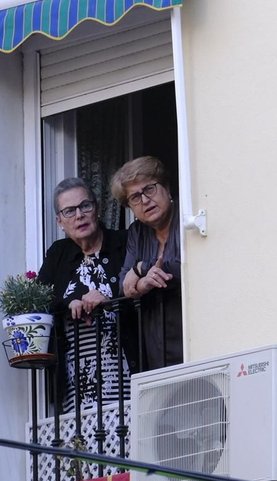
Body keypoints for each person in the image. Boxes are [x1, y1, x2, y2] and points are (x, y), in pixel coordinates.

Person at [36, 177, 131, 413]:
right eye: (69, 211)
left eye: (85, 206)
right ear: (60, 221)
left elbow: (140, 295)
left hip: (124, 372)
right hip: (76, 381)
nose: (79, 215)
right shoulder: (58, 254)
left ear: (96, 208)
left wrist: (109, 301)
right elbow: (38, 300)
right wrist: (68, 303)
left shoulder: (124, 243)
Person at [116, 156, 183, 371]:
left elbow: (187, 268)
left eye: (149, 189)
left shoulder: (187, 217)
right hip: (156, 349)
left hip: (193, 339)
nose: (144, 200)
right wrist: (141, 283)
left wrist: (142, 268)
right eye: (135, 197)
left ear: (167, 188)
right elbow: (123, 286)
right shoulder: (137, 232)